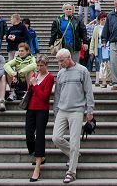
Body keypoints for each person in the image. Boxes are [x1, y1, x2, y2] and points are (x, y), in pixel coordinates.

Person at [52, 48, 95, 184]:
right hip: (62, 109)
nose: (60, 63)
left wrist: (90, 111)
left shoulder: (82, 71)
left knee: (75, 141)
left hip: (77, 110)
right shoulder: (60, 73)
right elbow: (57, 94)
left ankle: (71, 172)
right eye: (58, 61)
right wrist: (56, 110)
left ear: (69, 57)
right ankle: (74, 154)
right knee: (56, 138)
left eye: (62, 61)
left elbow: (89, 91)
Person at [26, 54, 54, 182]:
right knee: (29, 136)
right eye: (37, 65)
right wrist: (31, 83)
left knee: (40, 136)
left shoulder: (50, 77)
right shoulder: (35, 75)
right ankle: (39, 156)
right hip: (31, 108)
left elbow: (44, 97)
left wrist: (35, 85)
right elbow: (31, 92)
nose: (39, 68)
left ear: (46, 65)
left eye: (41, 65)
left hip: (42, 109)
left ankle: (37, 167)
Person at [89, 13, 110, 86]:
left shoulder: (109, 27)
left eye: (105, 19)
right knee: (98, 64)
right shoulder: (96, 28)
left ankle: (106, 80)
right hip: (99, 48)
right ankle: (97, 80)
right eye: (102, 19)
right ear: (99, 20)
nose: (103, 21)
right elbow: (93, 39)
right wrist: (91, 50)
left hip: (108, 48)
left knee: (107, 64)